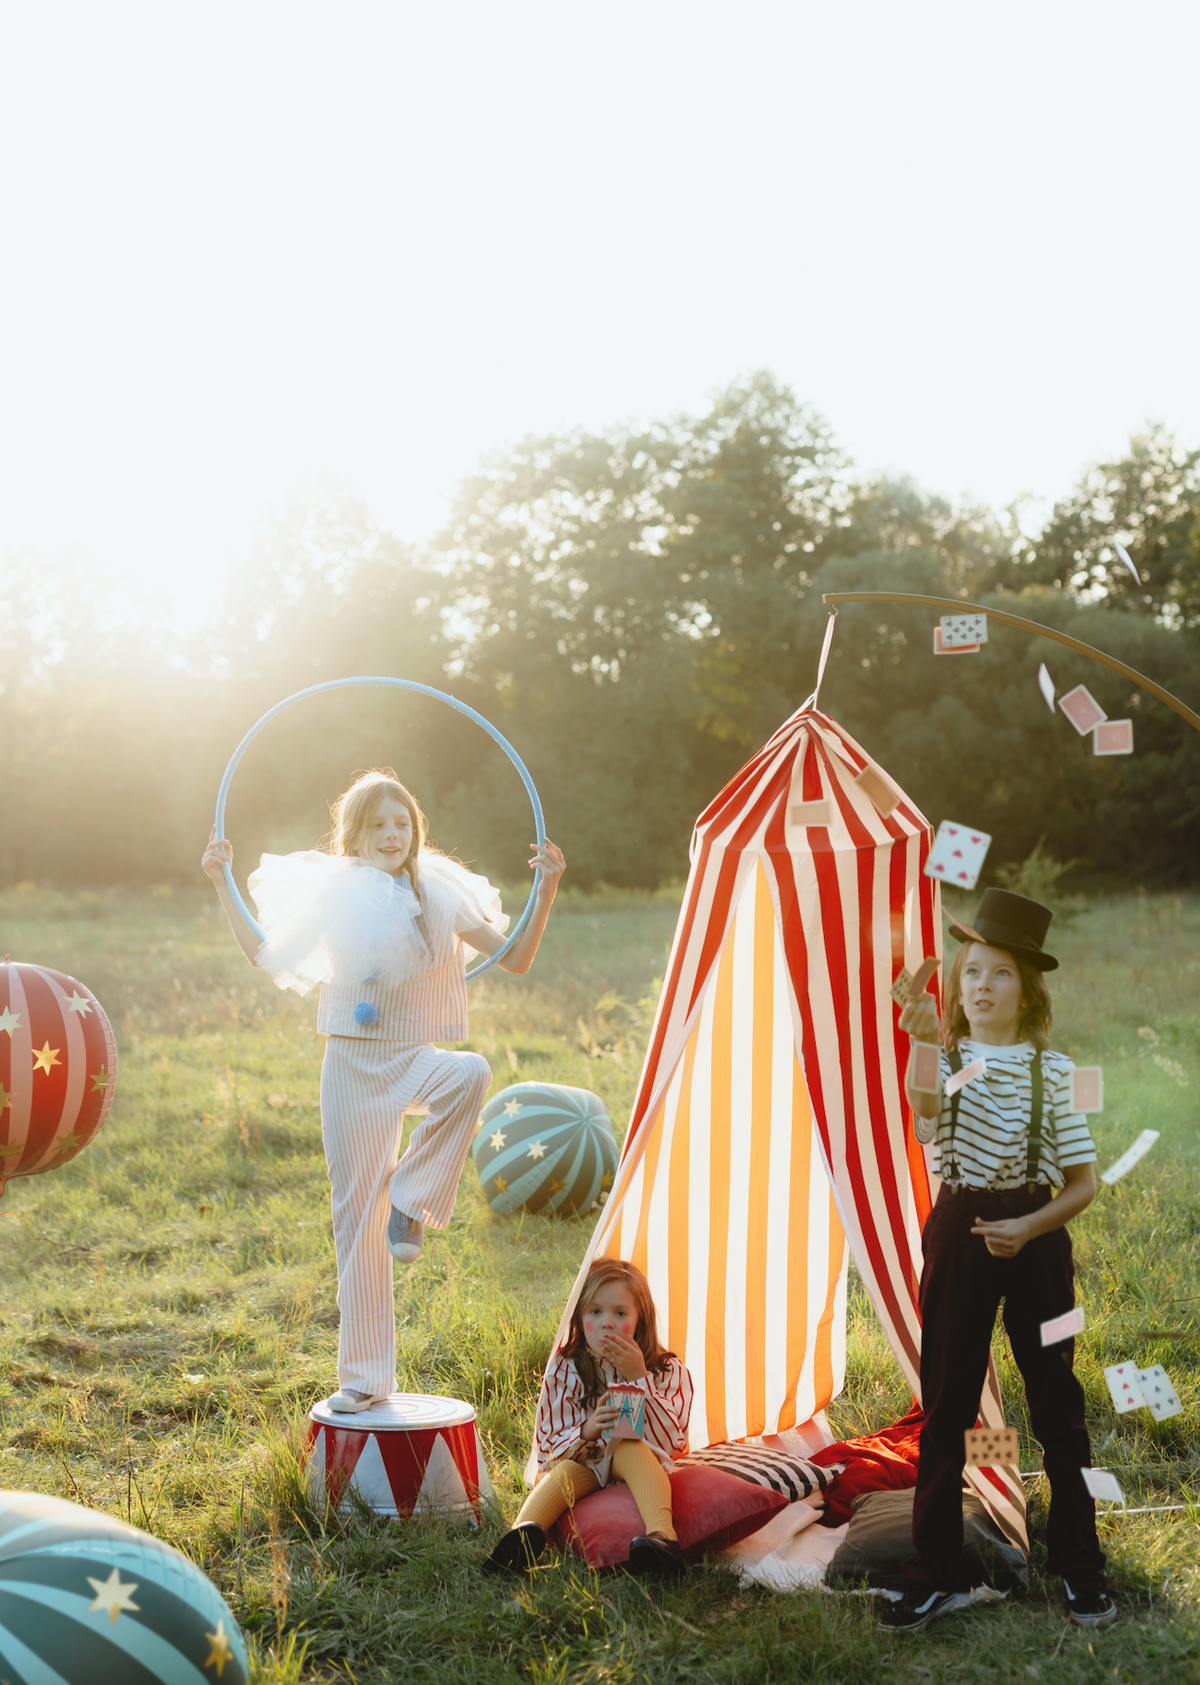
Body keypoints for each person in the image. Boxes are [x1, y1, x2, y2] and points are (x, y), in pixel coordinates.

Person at [201, 768, 565, 1413]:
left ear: (415, 832)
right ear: (355, 833)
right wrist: (220, 881)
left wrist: (548, 888)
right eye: (378, 824)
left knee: (471, 1071)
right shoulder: (335, 893)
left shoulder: (441, 893)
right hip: (350, 1067)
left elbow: (514, 957)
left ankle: (413, 1195)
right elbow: (266, 952)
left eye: (403, 823)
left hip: (410, 1056)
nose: (392, 834)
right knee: (355, 1222)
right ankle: (365, 1378)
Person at [880, 888, 1116, 1636]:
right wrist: (919, 1038)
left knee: (1059, 1404)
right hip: (960, 1229)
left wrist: (1030, 1225)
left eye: (1000, 973)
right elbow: (925, 1107)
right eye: (971, 970)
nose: (980, 984)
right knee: (946, 1403)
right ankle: (934, 1573)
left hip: (1040, 1241)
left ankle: (1079, 1566)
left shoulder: (1057, 1070)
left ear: (1029, 990)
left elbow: (1083, 1183)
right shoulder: (952, 1061)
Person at [484, 1259, 693, 1580]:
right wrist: (588, 1430)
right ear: (579, 1318)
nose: (607, 1323)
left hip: (639, 1465)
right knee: (567, 1470)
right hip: (583, 1465)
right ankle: (519, 1539)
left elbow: (674, 1444)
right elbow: (548, 1451)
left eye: (620, 1313)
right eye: (595, 1312)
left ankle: (663, 1540)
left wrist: (639, 1379)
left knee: (627, 1443)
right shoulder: (566, 1367)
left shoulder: (666, 1370)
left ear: (640, 1320)